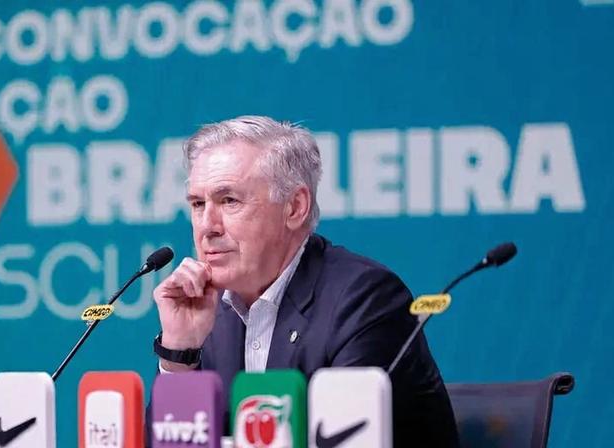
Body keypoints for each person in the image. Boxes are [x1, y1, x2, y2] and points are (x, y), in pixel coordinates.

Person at [151, 115, 459, 447]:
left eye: (229, 201)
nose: (207, 226)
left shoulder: (364, 300)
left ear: (295, 207)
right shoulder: (210, 314)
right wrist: (179, 353)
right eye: (198, 204)